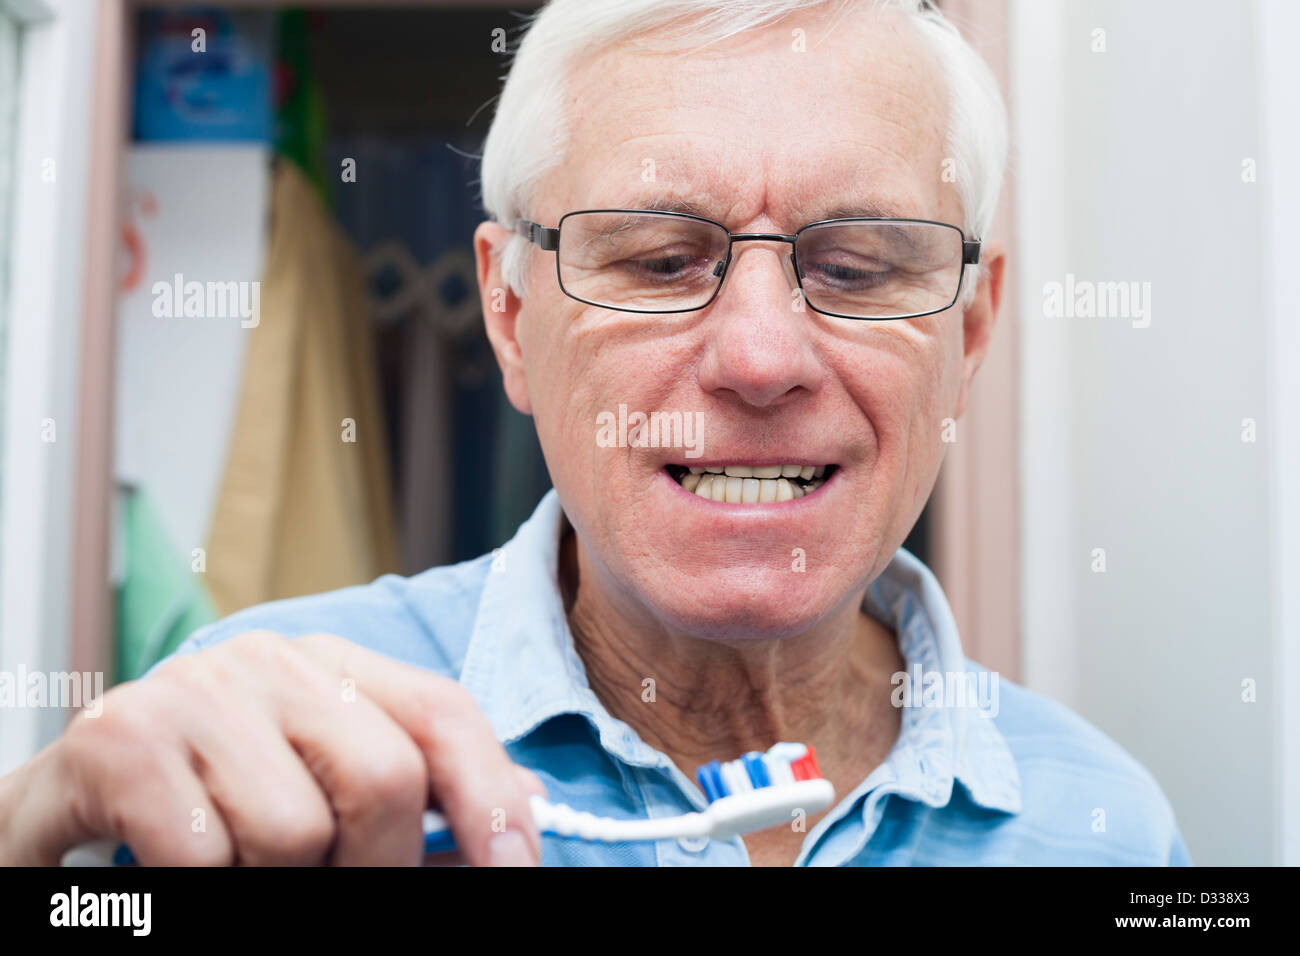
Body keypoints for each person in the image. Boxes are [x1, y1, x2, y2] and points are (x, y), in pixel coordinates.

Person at [0, 0, 1189, 867]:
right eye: (661, 261)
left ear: (969, 333)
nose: (762, 359)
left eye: (859, 265)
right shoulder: (270, 736)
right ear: (512, 320)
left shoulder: (1112, 826)